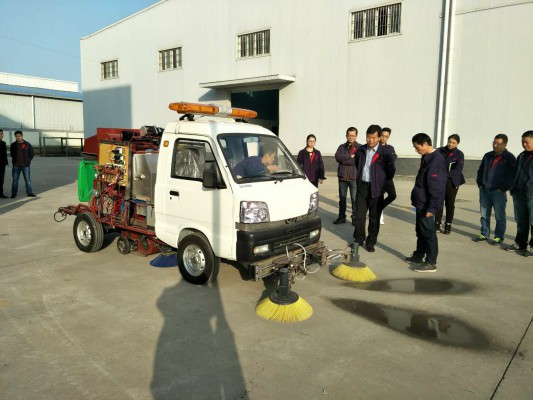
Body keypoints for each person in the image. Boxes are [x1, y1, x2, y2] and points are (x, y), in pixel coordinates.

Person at [405, 133, 447, 272]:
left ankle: (431, 262)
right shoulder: (427, 157)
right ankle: (419, 255)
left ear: (425, 144)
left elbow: (437, 187)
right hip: (421, 202)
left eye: (417, 147)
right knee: (421, 231)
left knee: (428, 234)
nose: (417, 150)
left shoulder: (436, 160)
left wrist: (432, 208)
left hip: (427, 204)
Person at [353, 125, 395, 252]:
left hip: (376, 189)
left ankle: (371, 242)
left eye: (373, 138)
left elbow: (390, 171)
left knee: (374, 218)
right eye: (368, 137)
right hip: (362, 187)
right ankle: (358, 239)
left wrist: (381, 182)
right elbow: (357, 164)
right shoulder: (361, 150)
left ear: (379, 137)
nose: (370, 140)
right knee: (359, 216)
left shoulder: (385, 152)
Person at [473, 134, 516, 245]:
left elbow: (512, 176)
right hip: (484, 190)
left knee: (499, 216)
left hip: (498, 192)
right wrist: (480, 183)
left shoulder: (509, 158)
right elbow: (480, 170)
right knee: (484, 214)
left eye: (498, 143)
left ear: (505, 144)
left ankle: (498, 237)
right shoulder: (487, 156)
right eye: (494, 142)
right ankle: (484, 234)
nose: (495, 145)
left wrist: (503, 188)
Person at [507, 130, 533, 256]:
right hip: (519, 193)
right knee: (521, 220)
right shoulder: (521, 156)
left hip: (531, 194)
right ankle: (521, 243)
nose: (524, 144)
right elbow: (515, 173)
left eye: (526, 142)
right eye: (522, 142)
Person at [435, 134, 466, 234]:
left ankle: (448, 224)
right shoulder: (439, 151)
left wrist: (445, 175)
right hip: (440, 181)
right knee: (439, 202)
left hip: (452, 181)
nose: (451, 144)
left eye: (453, 143)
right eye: (449, 142)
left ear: (457, 144)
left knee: (450, 203)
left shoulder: (459, 154)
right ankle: (437, 223)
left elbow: (458, 169)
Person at [334, 127, 361, 225]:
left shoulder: (360, 148)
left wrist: (343, 160)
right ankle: (341, 217)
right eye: (349, 135)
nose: (351, 137)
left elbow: (356, 161)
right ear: (346, 135)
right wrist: (349, 156)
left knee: (354, 199)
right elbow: (337, 157)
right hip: (342, 177)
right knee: (342, 199)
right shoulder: (341, 147)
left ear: (356, 136)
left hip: (354, 177)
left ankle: (355, 218)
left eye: (353, 135)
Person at [378, 127, 397, 224]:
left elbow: (393, 158)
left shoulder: (390, 148)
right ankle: (379, 214)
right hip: (378, 177)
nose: (384, 138)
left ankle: (379, 208)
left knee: (392, 195)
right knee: (380, 196)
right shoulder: (375, 147)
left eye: (386, 136)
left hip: (388, 177)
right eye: (382, 135)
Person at [10, 131, 36, 198]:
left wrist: (28, 161)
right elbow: (12, 154)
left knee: (28, 180)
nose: (18, 137)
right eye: (16, 136)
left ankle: (29, 193)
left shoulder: (27, 144)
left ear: (22, 136)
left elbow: (32, 153)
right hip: (16, 166)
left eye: (19, 136)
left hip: (25, 166)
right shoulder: (13, 145)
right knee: (15, 180)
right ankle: (14, 193)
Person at [0, 129, 8, 198]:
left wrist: (5, 162)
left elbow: (4, 154)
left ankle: (1, 194)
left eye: (2, 133)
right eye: (0, 133)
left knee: (1, 180)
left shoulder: (3, 143)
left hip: (2, 164)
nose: (1, 135)